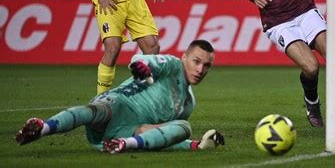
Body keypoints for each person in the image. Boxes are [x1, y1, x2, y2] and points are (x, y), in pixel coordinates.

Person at [15, 40, 225, 153]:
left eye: (206, 65)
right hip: (118, 105)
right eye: (196, 61)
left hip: (130, 132)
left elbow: (164, 138)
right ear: (184, 57)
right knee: (97, 111)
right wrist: (140, 66)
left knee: (183, 128)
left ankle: (124, 145)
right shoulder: (172, 65)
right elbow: (142, 59)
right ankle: (42, 128)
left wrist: (195, 145)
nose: (200, 69)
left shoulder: (188, 103)